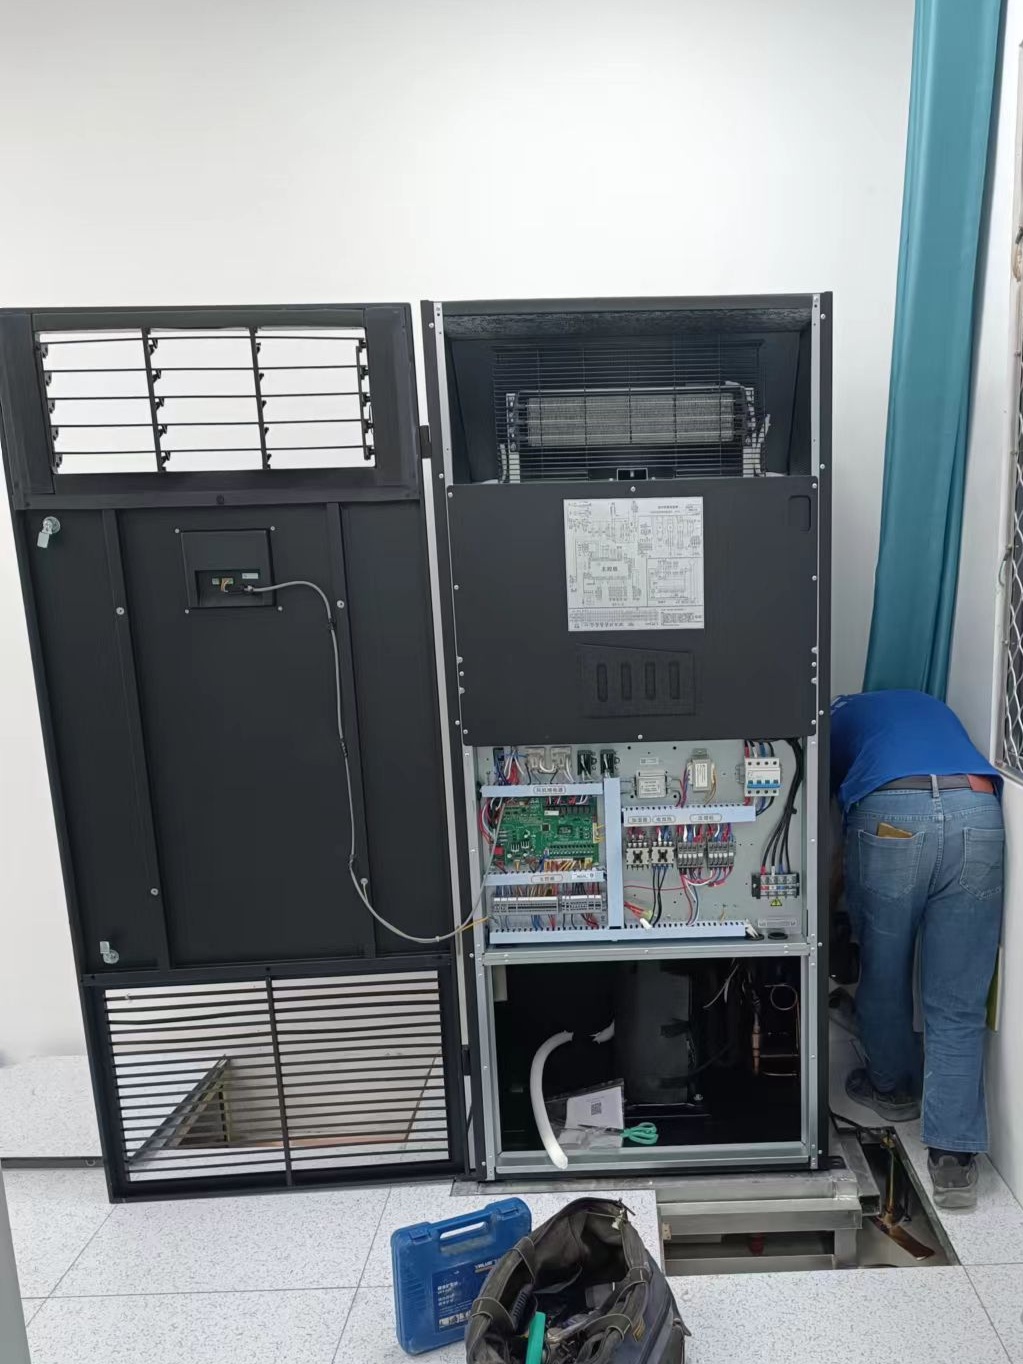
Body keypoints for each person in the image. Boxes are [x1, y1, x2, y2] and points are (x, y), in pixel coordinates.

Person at [831, 689, 1004, 1210]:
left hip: (893, 814)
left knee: (885, 970)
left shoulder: (835, 720)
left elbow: (825, 825)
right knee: (958, 999)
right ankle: (953, 1159)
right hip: (978, 812)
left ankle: (892, 1089)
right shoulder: (927, 705)